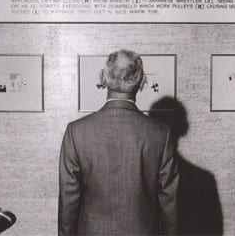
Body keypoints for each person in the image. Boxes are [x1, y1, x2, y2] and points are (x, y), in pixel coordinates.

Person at [58, 49, 179, 235]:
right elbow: (170, 203)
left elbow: (68, 200)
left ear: (103, 77)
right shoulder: (161, 134)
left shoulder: (76, 132)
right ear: (141, 81)